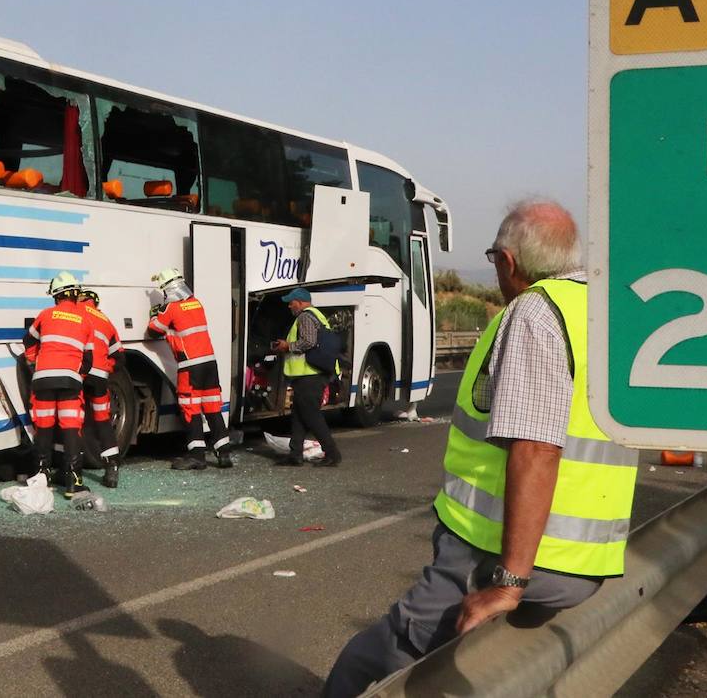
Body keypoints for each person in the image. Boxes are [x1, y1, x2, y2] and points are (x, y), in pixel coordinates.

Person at [323, 200, 638, 697]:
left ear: (508, 262)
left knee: (372, 658)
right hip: (588, 557)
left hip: (500, 553)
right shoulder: (602, 311)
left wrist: (509, 581)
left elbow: (536, 449)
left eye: (493, 258)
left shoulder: (536, 311)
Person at [145, 267, 234, 470]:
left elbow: (153, 331)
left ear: (168, 289)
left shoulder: (171, 308)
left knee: (190, 409)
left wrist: (155, 314)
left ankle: (197, 456)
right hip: (209, 364)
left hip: (190, 366)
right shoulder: (197, 303)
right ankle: (224, 453)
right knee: (212, 408)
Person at [25, 271, 96, 497]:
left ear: (56, 295)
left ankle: (40, 477)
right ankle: (73, 482)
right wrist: (77, 376)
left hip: (43, 379)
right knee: (71, 427)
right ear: (75, 294)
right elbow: (89, 360)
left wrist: (34, 362)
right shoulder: (86, 320)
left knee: (44, 426)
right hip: (70, 381)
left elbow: (29, 340)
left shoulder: (46, 314)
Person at [271, 288, 341, 468]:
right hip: (311, 374)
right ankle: (295, 455)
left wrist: (287, 346)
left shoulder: (305, 317)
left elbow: (309, 341)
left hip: (310, 375)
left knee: (311, 415)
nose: (289, 306)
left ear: (300, 302)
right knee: (299, 416)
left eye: (291, 302)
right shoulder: (317, 315)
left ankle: (332, 453)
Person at [77, 289, 124, 488]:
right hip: (99, 377)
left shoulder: (75, 311)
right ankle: (112, 466)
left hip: (80, 371)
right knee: (102, 420)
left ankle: (71, 469)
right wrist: (104, 368)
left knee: (73, 419)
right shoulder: (106, 320)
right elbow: (119, 357)